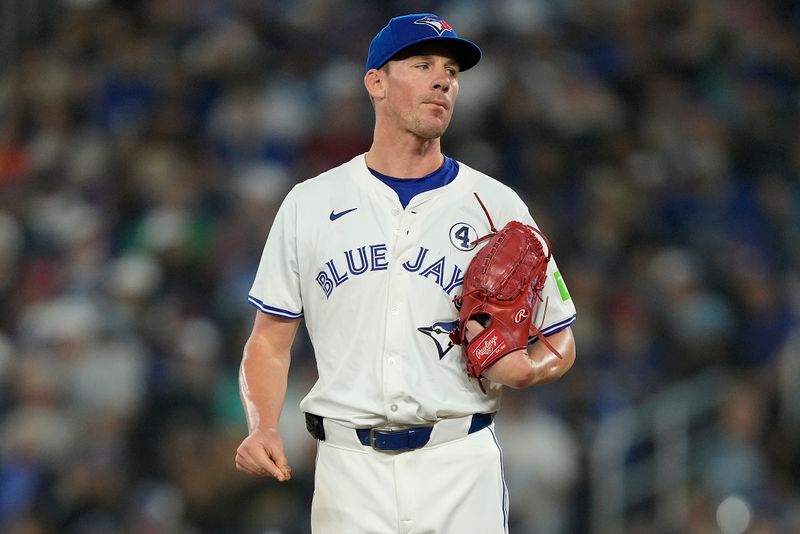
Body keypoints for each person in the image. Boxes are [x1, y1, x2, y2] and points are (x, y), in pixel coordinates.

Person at [235, 12, 577, 534]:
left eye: (452, 72)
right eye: (422, 65)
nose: (444, 80)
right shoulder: (311, 203)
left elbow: (560, 337)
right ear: (376, 82)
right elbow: (269, 342)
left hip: (459, 462)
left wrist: (532, 369)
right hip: (349, 469)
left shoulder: (497, 206)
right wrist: (261, 425)